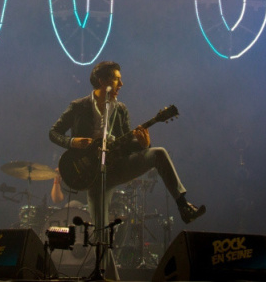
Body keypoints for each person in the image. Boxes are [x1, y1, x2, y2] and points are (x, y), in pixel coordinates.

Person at [50, 61, 206, 237]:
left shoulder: (121, 109)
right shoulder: (78, 106)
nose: (121, 84)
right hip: (91, 176)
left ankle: (183, 205)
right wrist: (73, 142)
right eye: (117, 79)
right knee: (100, 235)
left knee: (158, 153)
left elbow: (126, 147)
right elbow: (53, 133)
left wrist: (142, 144)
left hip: (117, 168)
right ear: (102, 81)